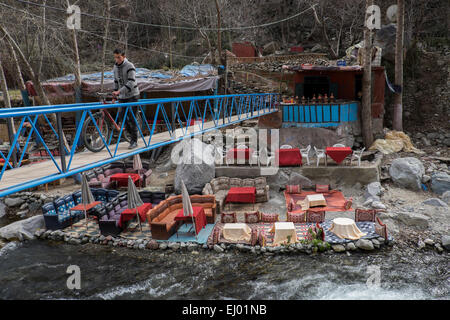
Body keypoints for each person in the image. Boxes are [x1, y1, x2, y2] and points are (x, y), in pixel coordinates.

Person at [112, 48, 139, 149]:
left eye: (119, 57)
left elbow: (131, 82)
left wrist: (119, 91)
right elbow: (116, 81)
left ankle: (134, 141)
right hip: (122, 96)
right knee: (121, 117)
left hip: (133, 95)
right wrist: (115, 96)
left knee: (132, 118)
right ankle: (130, 135)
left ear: (124, 56)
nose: (117, 60)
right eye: (115, 58)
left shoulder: (130, 66)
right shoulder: (115, 67)